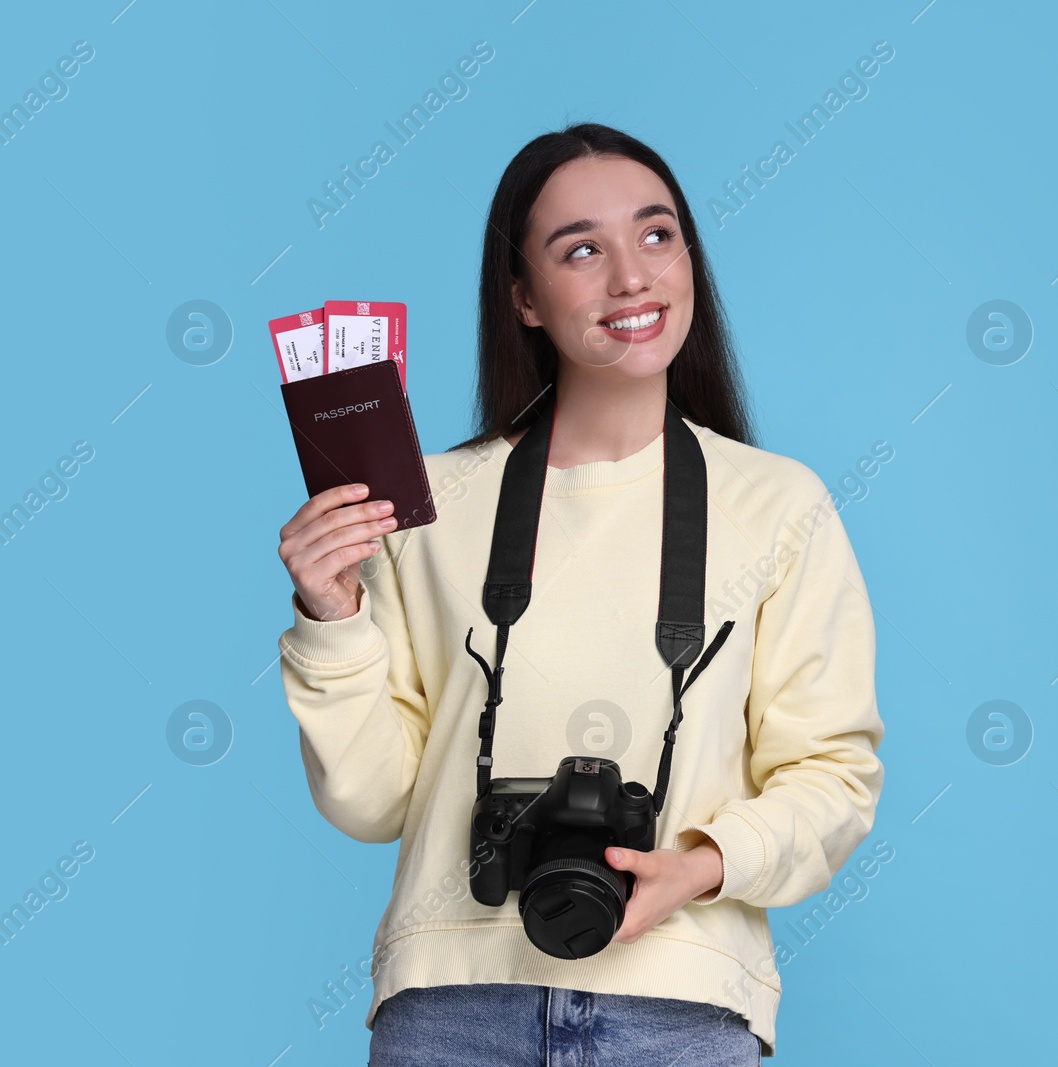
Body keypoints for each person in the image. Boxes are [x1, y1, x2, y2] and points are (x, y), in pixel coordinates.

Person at [275, 122, 885, 1064]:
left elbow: (833, 774)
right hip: (452, 1004)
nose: (632, 278)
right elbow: (374, 799)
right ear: (523, 297)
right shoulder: (429, 505)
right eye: (582, 250)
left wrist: (701, 865)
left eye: (657, 234)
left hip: (681, 1006)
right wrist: (331, 619)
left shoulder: (779, 504)